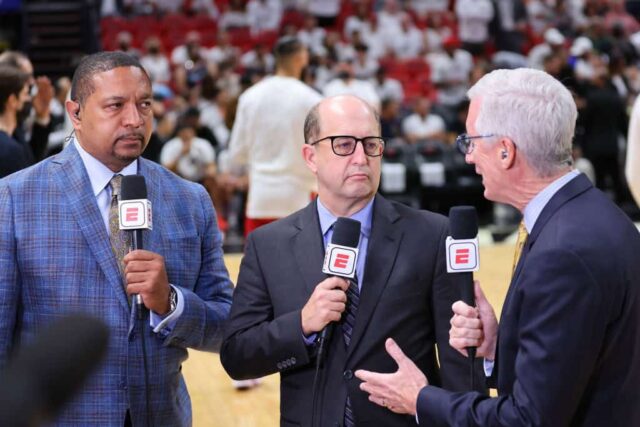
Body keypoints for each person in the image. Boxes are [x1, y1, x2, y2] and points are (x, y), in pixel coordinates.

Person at [355, 68, 640, 425]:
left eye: (471, 141)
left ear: (505, 151)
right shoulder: (593, 215)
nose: (468, 156)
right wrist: (498, 347)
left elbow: (527, 419)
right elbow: (575, 366)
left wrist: (420, 399)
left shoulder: (563, 252)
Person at [221, 95, 485, 427]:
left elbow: (461, 358)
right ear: (310, 156)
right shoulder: (268, 244)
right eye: (344, 145)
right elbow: (237, 357)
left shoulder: (432, 235)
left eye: (371, 144)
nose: (361, 157)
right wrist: (301, 324)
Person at [0, 52, 234, 426]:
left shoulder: (190, 200)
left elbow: (227, 325)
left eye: (144, 104)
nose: (135, 119)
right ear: (75, 113)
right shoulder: (14, 198)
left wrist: (170, 302)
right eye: (116, 106)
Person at [227, 36, 322, 235]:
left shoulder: (250, 97)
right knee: (302, 264)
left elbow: (237, 154)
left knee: (260, 264)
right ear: (300, 59)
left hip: (261, 197)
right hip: (300, 196)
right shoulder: (312, 99)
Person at [0, 65, 30, 178]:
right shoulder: (10, 150)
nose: (28, 99)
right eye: (25, 94)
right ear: (12, 100)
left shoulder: (15, 135)